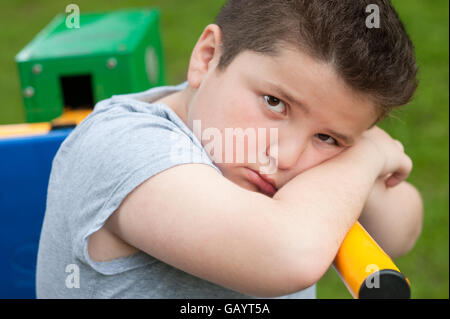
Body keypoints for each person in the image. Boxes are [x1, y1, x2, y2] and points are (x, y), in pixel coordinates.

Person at [36, 0, 423, 298]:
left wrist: (355, 156)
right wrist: (368, 155)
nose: (285, 157)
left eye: (328, 137)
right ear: (207, 57)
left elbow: (400, 230)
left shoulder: (281, 161)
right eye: (274, 103)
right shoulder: (125, 145)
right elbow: (289, 253)